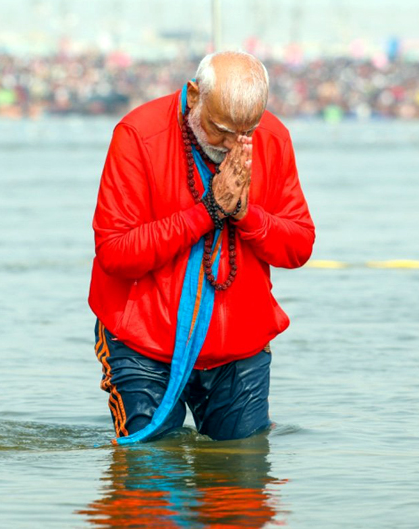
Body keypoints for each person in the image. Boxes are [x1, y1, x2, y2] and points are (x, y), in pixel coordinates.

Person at [89, 50, 315, 443]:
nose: (232, 145)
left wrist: (246, 215)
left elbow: (298, 246)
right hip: (143, 342)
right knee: (148, 485)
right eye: (221, 130)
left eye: (245, 133)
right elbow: (116, 252)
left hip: (238, 348)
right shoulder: (138, 135)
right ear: (193, 95)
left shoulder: (273, 138)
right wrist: (208, 211)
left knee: (243, 490)